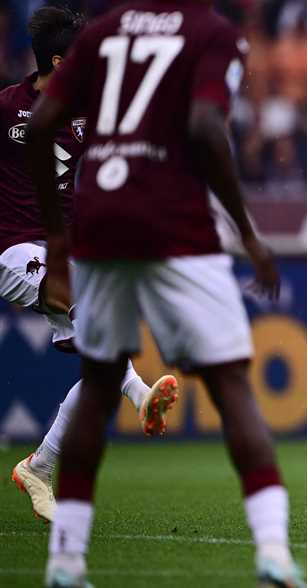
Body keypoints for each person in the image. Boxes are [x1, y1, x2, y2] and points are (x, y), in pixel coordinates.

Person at [26, 1, 305, 586]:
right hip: (176, 222)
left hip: (100, 221)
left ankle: (65, 560)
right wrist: (247, 233)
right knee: (230, 386)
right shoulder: (211, 33)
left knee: (99, 386)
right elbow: (204, 128)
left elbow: (43, 122)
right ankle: (273, 552)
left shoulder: (101, 33)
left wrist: (56, 241)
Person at [2, 5, 179, 524]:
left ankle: (38, 466)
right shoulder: (7, 109)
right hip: (13, 250)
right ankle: (140, 394)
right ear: (58, 61)